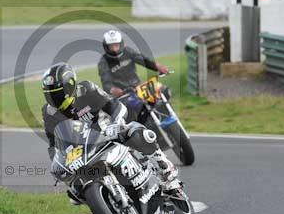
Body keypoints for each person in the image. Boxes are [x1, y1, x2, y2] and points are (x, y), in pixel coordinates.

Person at [41, 62, 180, 202]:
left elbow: (115, 105)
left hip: (108, 134)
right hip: (83, 150)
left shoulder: (86, 89)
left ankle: (163, 165)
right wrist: (57, 164)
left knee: (135, 131)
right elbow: (54, 143)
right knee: (75, 193)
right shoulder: (48, 113)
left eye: (57, 94)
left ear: (69, 86)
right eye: (50, 95)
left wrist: (116, 123)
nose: (54, 99)